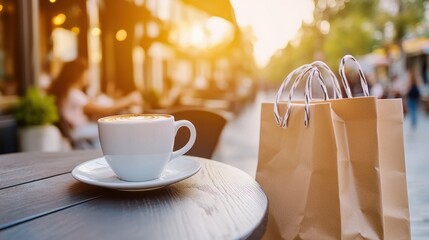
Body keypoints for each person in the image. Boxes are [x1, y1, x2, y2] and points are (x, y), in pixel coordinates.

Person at [48, 58, 142, 148]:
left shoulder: (71, 93)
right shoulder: (74, 94)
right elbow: (105, 110)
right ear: (78, 75)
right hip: (80, 130)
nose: (88, 76)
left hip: (81, 130)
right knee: (112, 131)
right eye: (86, 73)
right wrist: (130, 99)